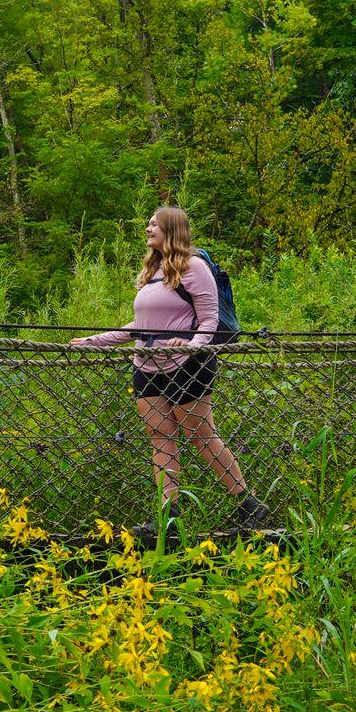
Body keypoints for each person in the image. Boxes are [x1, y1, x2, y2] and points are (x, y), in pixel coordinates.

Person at [70, 206, 271, 541]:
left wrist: (192, 346)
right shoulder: (152, 270)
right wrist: (96, 341)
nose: (148, 228)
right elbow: (140, 326)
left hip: (187, 365)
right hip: (146, 365)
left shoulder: (194, 267)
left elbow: (208, 320)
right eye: (148, 223)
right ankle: (169, 517)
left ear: (172, 229)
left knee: (200, 435)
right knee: (160, 438)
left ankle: (247, 504)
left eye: (154, 224)